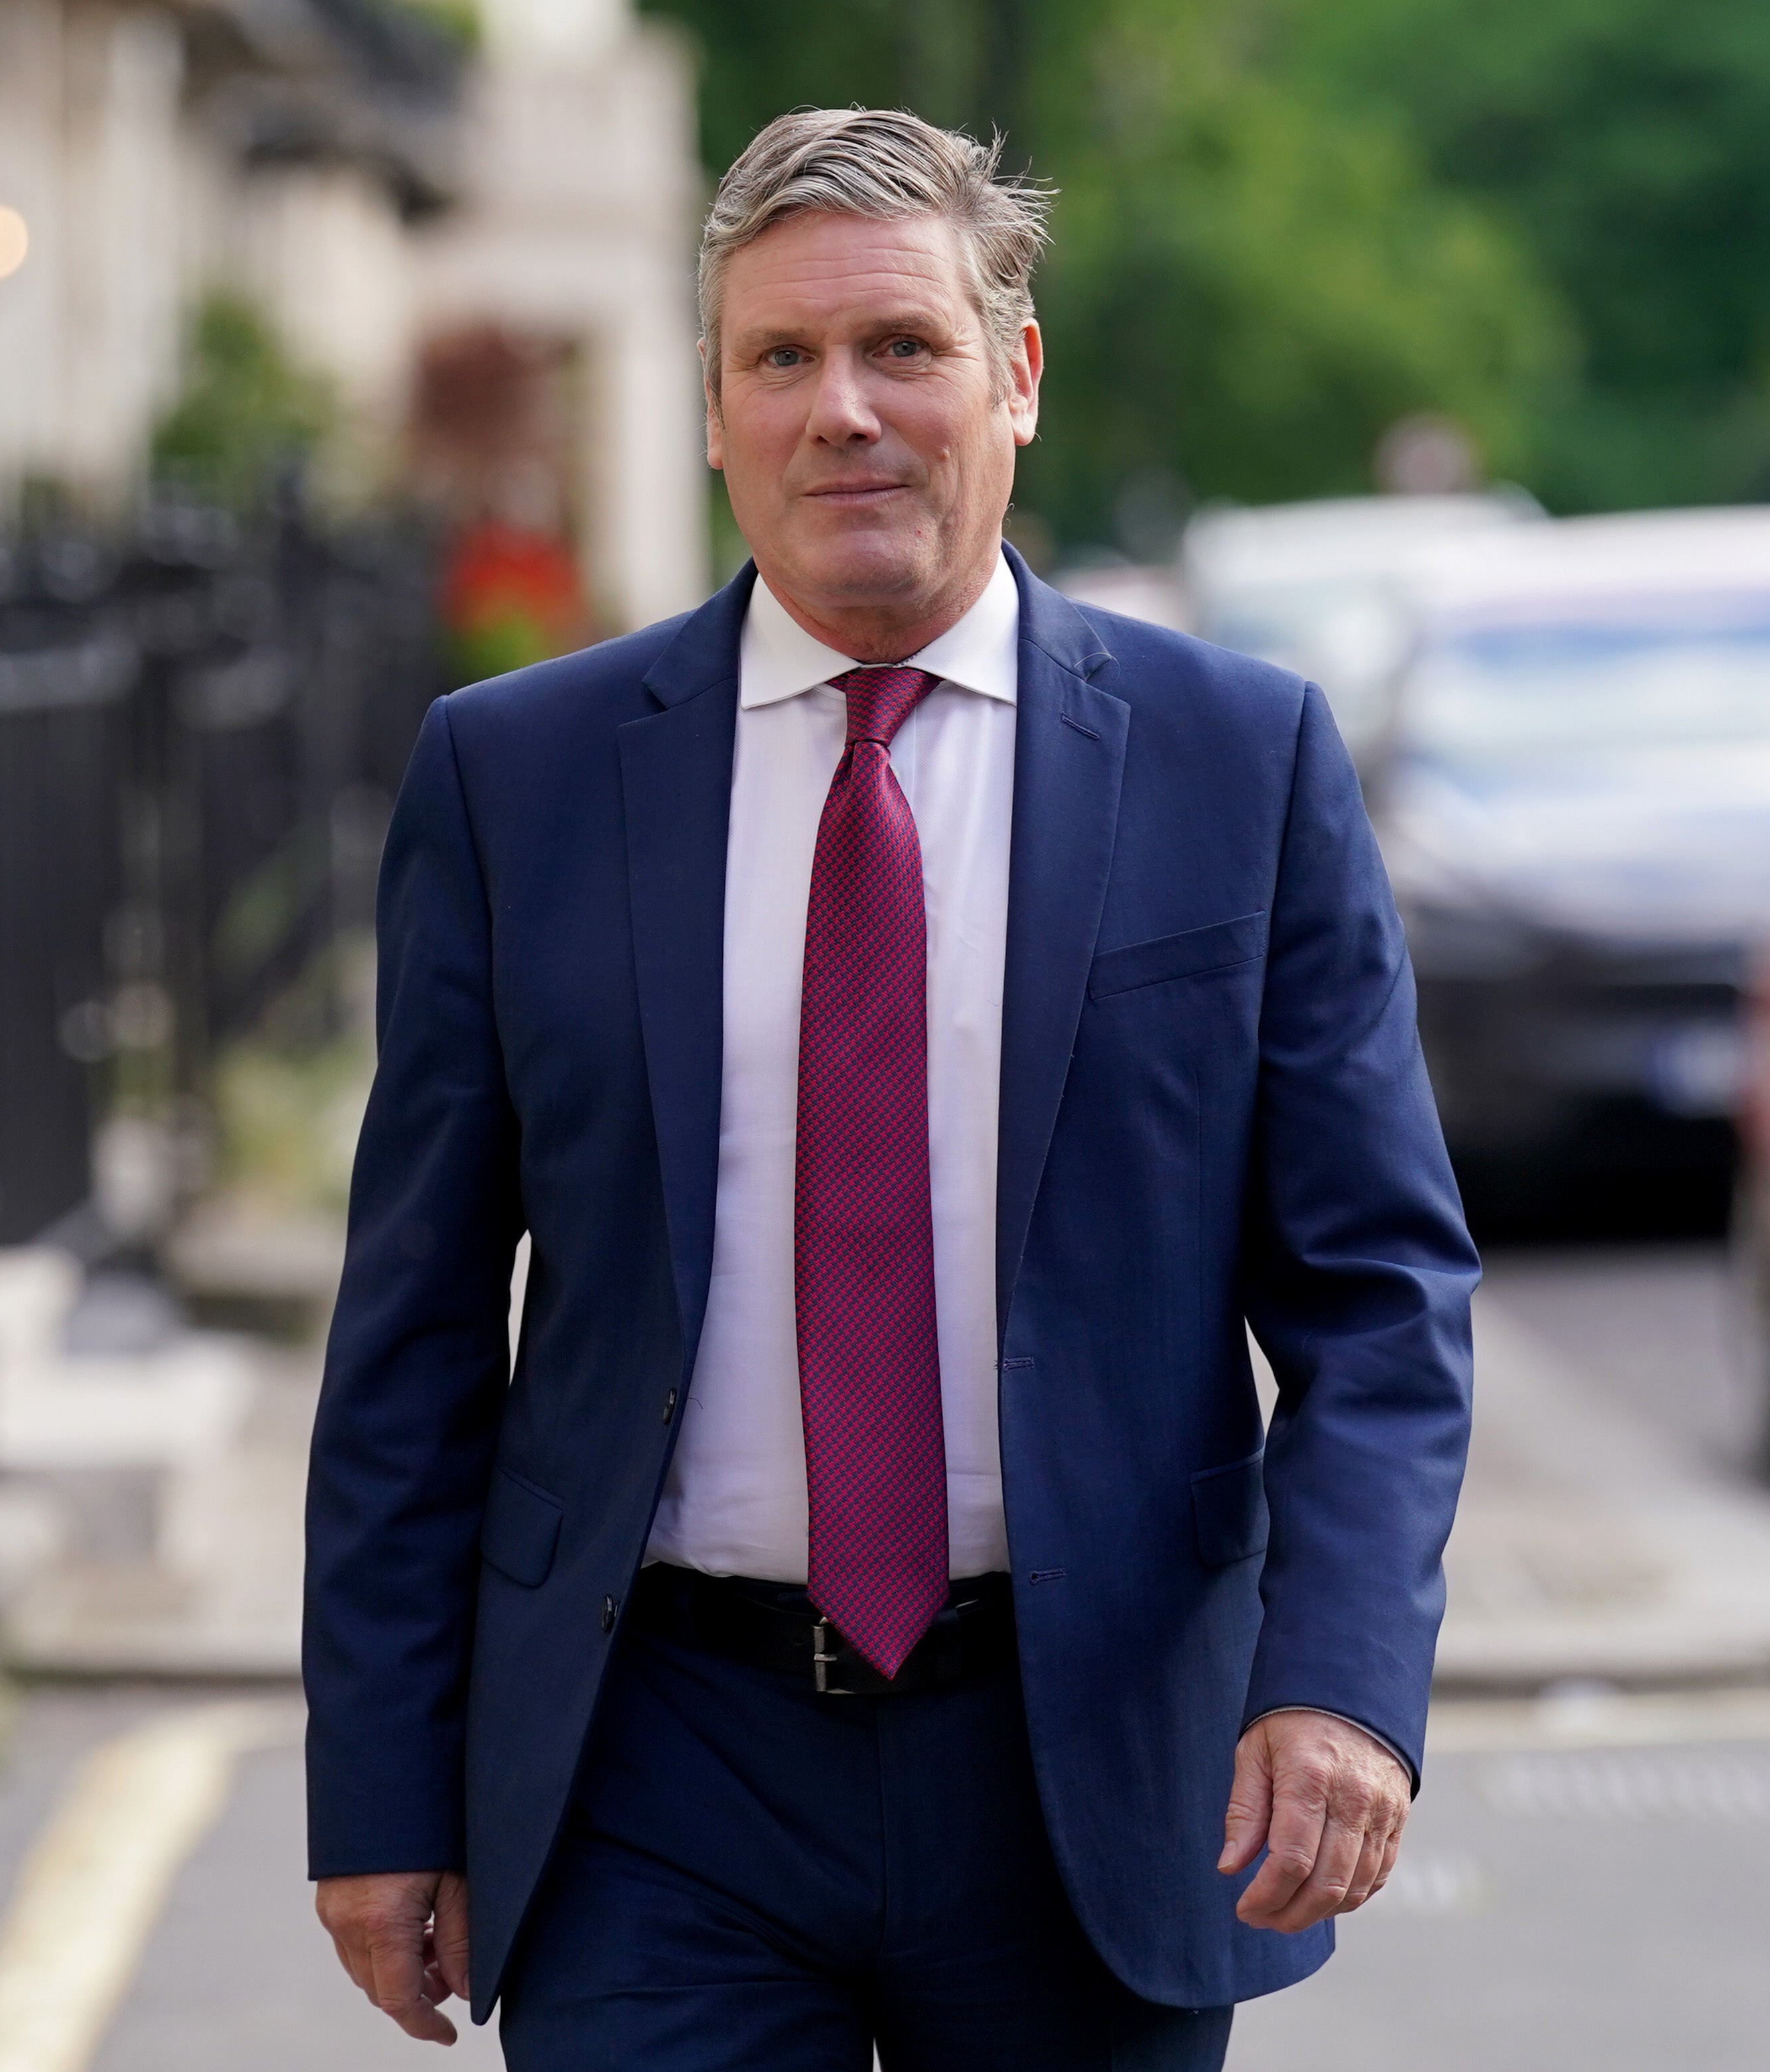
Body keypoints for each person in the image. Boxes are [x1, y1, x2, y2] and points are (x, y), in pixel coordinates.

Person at [304, 107, 1477, 2070]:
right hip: (654, 1766)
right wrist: (382, 1783)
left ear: (1013, 374)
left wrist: (1342, 1681)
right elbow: (412, 1329)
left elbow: (1374, 1291)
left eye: (900, 348)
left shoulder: (1234, 762)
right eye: (779, 358)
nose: (840, 410)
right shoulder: (517, 781)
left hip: (1092, 1757)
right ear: (711, 411)